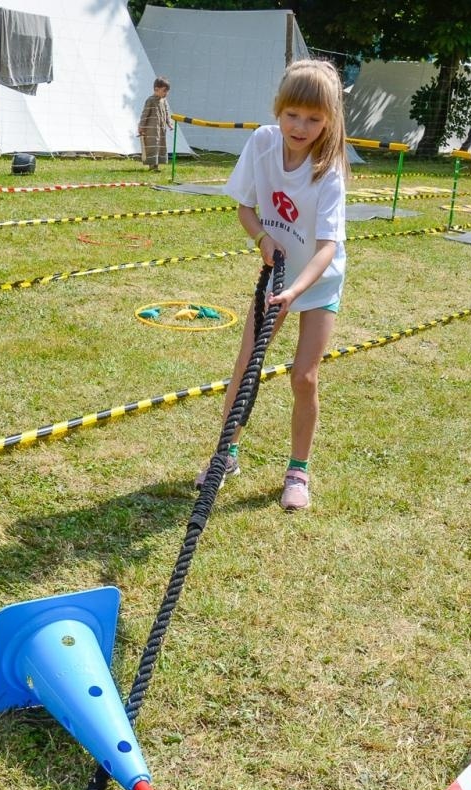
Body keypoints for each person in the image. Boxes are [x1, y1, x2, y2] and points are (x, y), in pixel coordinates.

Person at [195, 59, 349, 512]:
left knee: (304, 376)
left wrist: (296, 291)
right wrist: (263, 239)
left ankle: (298, 469)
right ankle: (226, 455)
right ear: (278, 110)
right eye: (292, 115)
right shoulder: (262, 143)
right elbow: (245, 207)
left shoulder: (329, 169)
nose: (300, 126)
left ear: (329, 120)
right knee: (246, 368)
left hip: (316, 281)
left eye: (314, 119)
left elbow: (325, 249)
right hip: (277, 275)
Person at [139, 76, 173, 172]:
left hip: (161, 129)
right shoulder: (150, 100)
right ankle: (152, 166)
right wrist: (141, 126)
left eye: (167, 91)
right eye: (164, 91)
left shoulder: (164, 101)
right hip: (151, 129)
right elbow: (144, 114)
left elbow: (166, 113)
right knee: (153, 145)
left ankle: (156, 165)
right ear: (156, 89)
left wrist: (169, 123)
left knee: (159, 145)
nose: (166, 93)